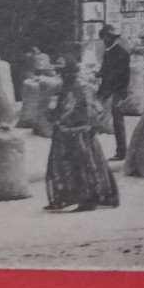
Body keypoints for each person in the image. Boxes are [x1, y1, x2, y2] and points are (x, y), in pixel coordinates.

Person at [44, 61, 120, 213]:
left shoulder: (74, 90)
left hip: (75, 132)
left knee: (78, 167)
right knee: (84, 165)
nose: (66, 76)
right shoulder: (76, 88)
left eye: (68, 74)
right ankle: (70, 197)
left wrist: (53, 116)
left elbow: (68, 110)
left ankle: (86, 199)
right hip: (77, 131)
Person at [96, 24, 131, 160]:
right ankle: (120, 151)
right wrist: (99, 75)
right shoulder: (108, 52)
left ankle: (122, 152)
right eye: (104, 37)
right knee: (112, 120)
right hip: (110, 90)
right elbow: (106, 72)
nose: (105, 40)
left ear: (111, 38)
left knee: (118, 121)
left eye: (107, 38)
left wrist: (120, 95)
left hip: (118, 91)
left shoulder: (122, 53)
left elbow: (122, 76)